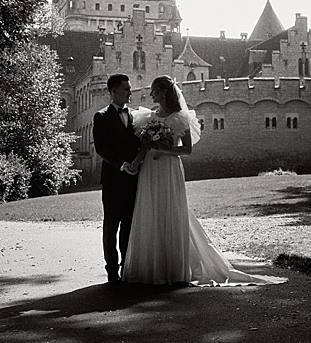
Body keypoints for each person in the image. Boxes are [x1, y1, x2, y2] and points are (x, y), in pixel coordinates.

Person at [121, 75, 287, 287]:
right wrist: (134, 163)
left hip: (169, 169)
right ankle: (151, 268)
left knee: (170, 211)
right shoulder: (147, 117)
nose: (150, 94)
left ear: (163, 92)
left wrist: (163, 148)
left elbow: (187, 149)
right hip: (150, 171)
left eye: (154, 90)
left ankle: (172, 269)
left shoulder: (181, 117)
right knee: (150, 211)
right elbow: (143, 147)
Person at [92, 73, 141, 284]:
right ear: (113, 92)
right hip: (113, 179)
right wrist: (122, 164)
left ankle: (125, 267)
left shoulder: (135, 116)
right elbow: (102, 148)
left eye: (130, 88)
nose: (130, 92)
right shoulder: (101, 117)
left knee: (129, 224)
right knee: (111, 224)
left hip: (133, 179)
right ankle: (111, 268)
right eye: (125, 89)